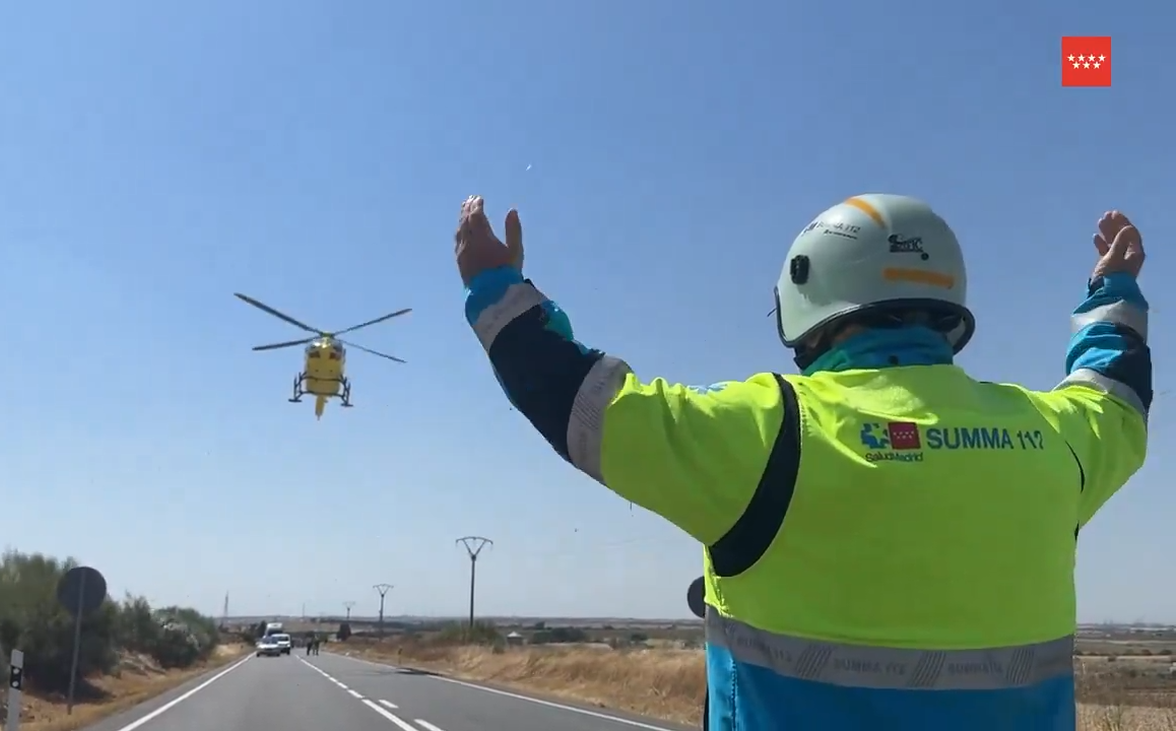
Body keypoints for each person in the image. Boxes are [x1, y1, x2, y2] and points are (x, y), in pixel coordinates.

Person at [454, 194, 1150, 731]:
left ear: (805, 293)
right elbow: (1115, 398)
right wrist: (1112, 293)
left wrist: (495, 290)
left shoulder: (773, 429)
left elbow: (584, 405)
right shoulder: (1053, 436)